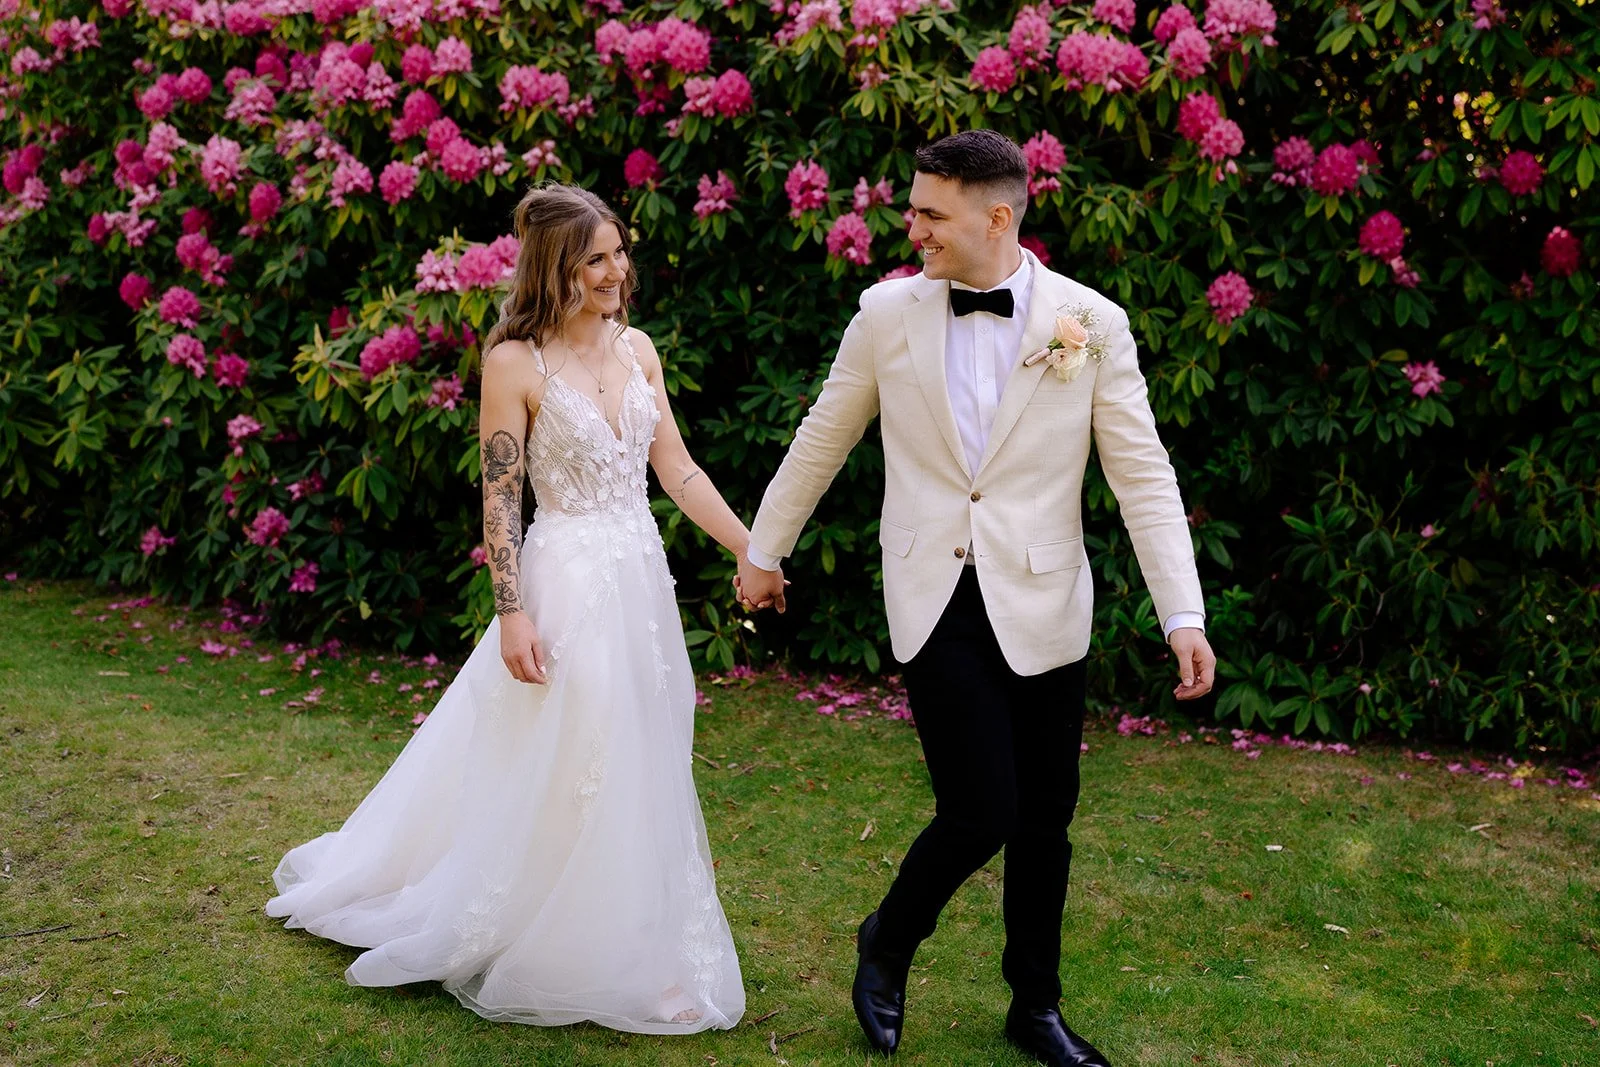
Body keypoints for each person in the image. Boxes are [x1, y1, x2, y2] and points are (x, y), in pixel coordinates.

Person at [736, 130, 1217, 1067]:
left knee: (1045, 818)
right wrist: (764, 549)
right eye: (912, 208)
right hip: (935, 592)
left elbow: (1144, 478)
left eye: (930, 213)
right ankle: (889, 939)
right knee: (983, 807)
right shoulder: (884, 315)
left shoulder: (1091, 322)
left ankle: (1035, 1006)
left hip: (1045, 597)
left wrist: (1183, 613)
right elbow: (823, 436)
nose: (911, 228)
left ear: (998, 217)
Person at [265, 183, 748, 1035]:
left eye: (620, 253)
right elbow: (500, 498)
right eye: (596, 259)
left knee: (643, 746)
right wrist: (513, 613)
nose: (617, 271)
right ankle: (587, 949)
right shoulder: (514, 363)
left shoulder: (638, 350)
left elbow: (677, 469)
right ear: (557, 268)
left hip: (640, 584)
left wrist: (750, 547)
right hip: (565, 586)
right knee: (588, 750)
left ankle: (637, 932)